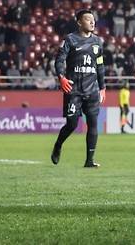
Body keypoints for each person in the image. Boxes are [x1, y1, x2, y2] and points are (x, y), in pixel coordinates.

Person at [51, 9, 106, 168]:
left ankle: (89, 160)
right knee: (72, 124)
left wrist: (102, 88)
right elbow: (59, 60)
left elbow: (100, 66)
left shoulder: (97, 41)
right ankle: (58, 145)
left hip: (92, 90)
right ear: (79, 22)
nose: (92, 22)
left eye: (93, 19)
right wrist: (61, 77)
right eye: (88, 19)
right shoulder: (70, 39)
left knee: (93, 124)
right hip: (73, 90)